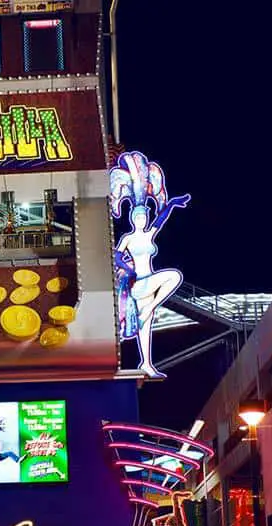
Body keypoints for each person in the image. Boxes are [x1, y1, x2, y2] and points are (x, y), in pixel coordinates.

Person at [110, 151, 191, 378]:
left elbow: (161, 218)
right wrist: (127, 268)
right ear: (133, 218)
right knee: (173, 276)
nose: (142, 219)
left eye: (144, 216)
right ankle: (146, 310)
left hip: (149, 282)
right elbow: (115, 256)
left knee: (147, 325)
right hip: (138, 282)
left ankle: (146, 363)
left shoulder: (148, 235)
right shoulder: (128, 238)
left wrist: (173, 203)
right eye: (138, 216)